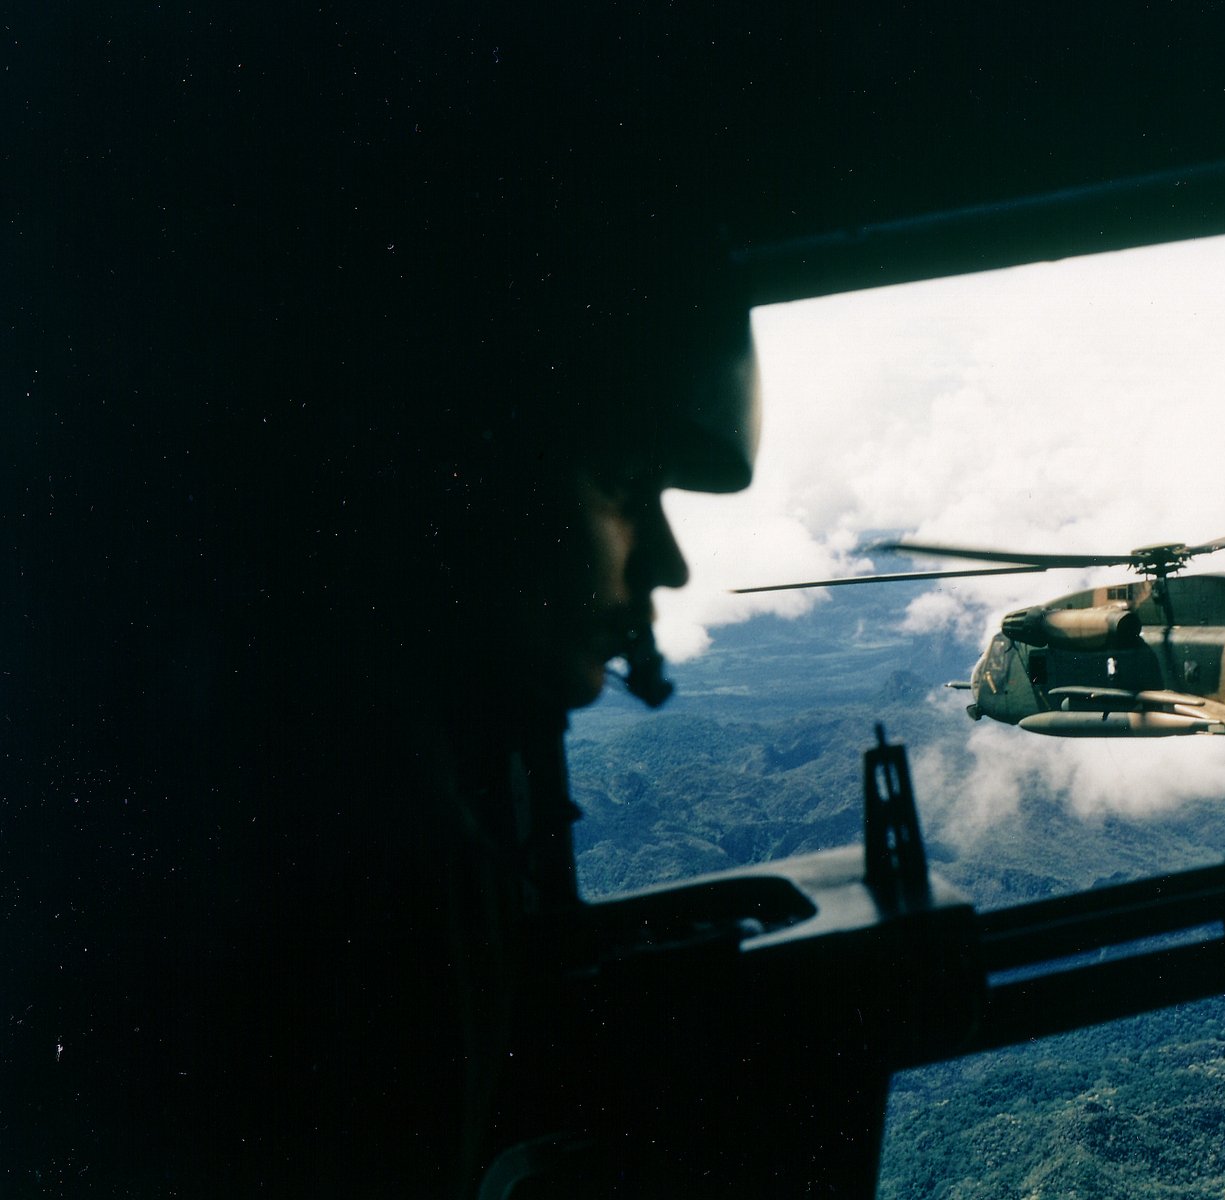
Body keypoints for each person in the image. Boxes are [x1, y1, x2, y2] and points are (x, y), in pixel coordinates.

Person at [7, 6, 759, 1195]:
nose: (663, 566)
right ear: (465, 476)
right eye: (623, 484)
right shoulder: (347, 881)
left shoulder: (348, 802)